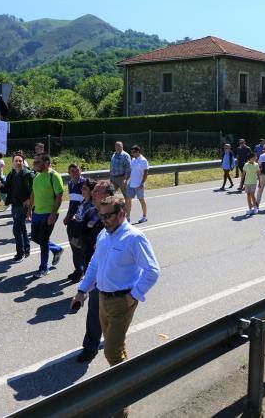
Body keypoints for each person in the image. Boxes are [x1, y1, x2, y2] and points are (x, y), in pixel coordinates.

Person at [72, 195, 160, 418]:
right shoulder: (104, 234)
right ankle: (125, 375)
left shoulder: (134, 238)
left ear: (121, 213)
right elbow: (94, 264)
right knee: (117, 348)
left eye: (108, 216)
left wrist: (134, 296)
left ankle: (122, 407)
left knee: (111, 351)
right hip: (102, 298)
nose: (103, 220)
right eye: (101, 215)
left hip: (122, 301)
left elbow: (152, 270)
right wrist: (82, 291)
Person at [76, 180, 115, 364]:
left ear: (107, 195)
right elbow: (82, 233)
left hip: (112, 276)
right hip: (94, 270)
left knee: (111, 315)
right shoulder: (91, 211)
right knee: (94, 312)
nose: (94, 194)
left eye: (98, 192)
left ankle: (114, 345)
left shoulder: (116, 216)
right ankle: (90, 347)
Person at [31, 154, 65, 278]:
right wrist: (30, 208)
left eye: (37, 162)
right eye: (34, 163)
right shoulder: (37, 176)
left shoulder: (54, 176)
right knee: (35, 237)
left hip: (48, 213)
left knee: (43, 240)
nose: (34, 165)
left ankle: (43, 268)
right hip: (37, 213)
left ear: (46, 162)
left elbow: (59, 196)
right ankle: (56, 249)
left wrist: (53, 214)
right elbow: (33, 193)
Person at [2, 152, 34, 261]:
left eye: (20, 161)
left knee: (16, 229)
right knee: (22, 228)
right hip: (14, 205)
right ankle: (27, 249)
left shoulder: (28, 174)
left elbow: (35, 189)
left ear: (23, 162)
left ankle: (19, 254)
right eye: (16, 161)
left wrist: (30, 199)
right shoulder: (11, 174)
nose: (18, 162)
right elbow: (5, 189)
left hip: (23, 206)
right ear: (12, 162)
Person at [66, 178, 98, 283]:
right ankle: (79, 271)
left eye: (84, 189)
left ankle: (87, 281)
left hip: (85, 236)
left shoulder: (92, 205)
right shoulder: (84, 201)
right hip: (76, 230)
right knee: (76, 253)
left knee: (85, 258)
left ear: (92, 191)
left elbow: (89, 222)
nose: (82, 191)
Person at [63, 164, 85, 277]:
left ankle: (84, 271)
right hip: (71, 220)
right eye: (72, 171)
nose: (75, 173)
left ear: (80, 171)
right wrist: (67, 216)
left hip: (82, 220)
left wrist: (79, 216)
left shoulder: (85, 184)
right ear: (69, 173)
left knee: (82, 246)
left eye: (77, 171)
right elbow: (72, 203)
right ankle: (78, 270)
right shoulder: (70, 184)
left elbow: (87, 203)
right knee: (73, 245)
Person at [125, 145, 149, 223]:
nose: (132, 154)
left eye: (133, 152)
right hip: (131, 183)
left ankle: (144, 216)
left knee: (141, 200)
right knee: (128, 199)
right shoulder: (133, 160)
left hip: (139, 184)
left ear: (138, 152)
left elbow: (146, 173)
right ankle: (128, 217)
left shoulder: (143, 160)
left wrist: (142, 183)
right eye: (131, 153)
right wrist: (127, 180)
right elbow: (132, 171)